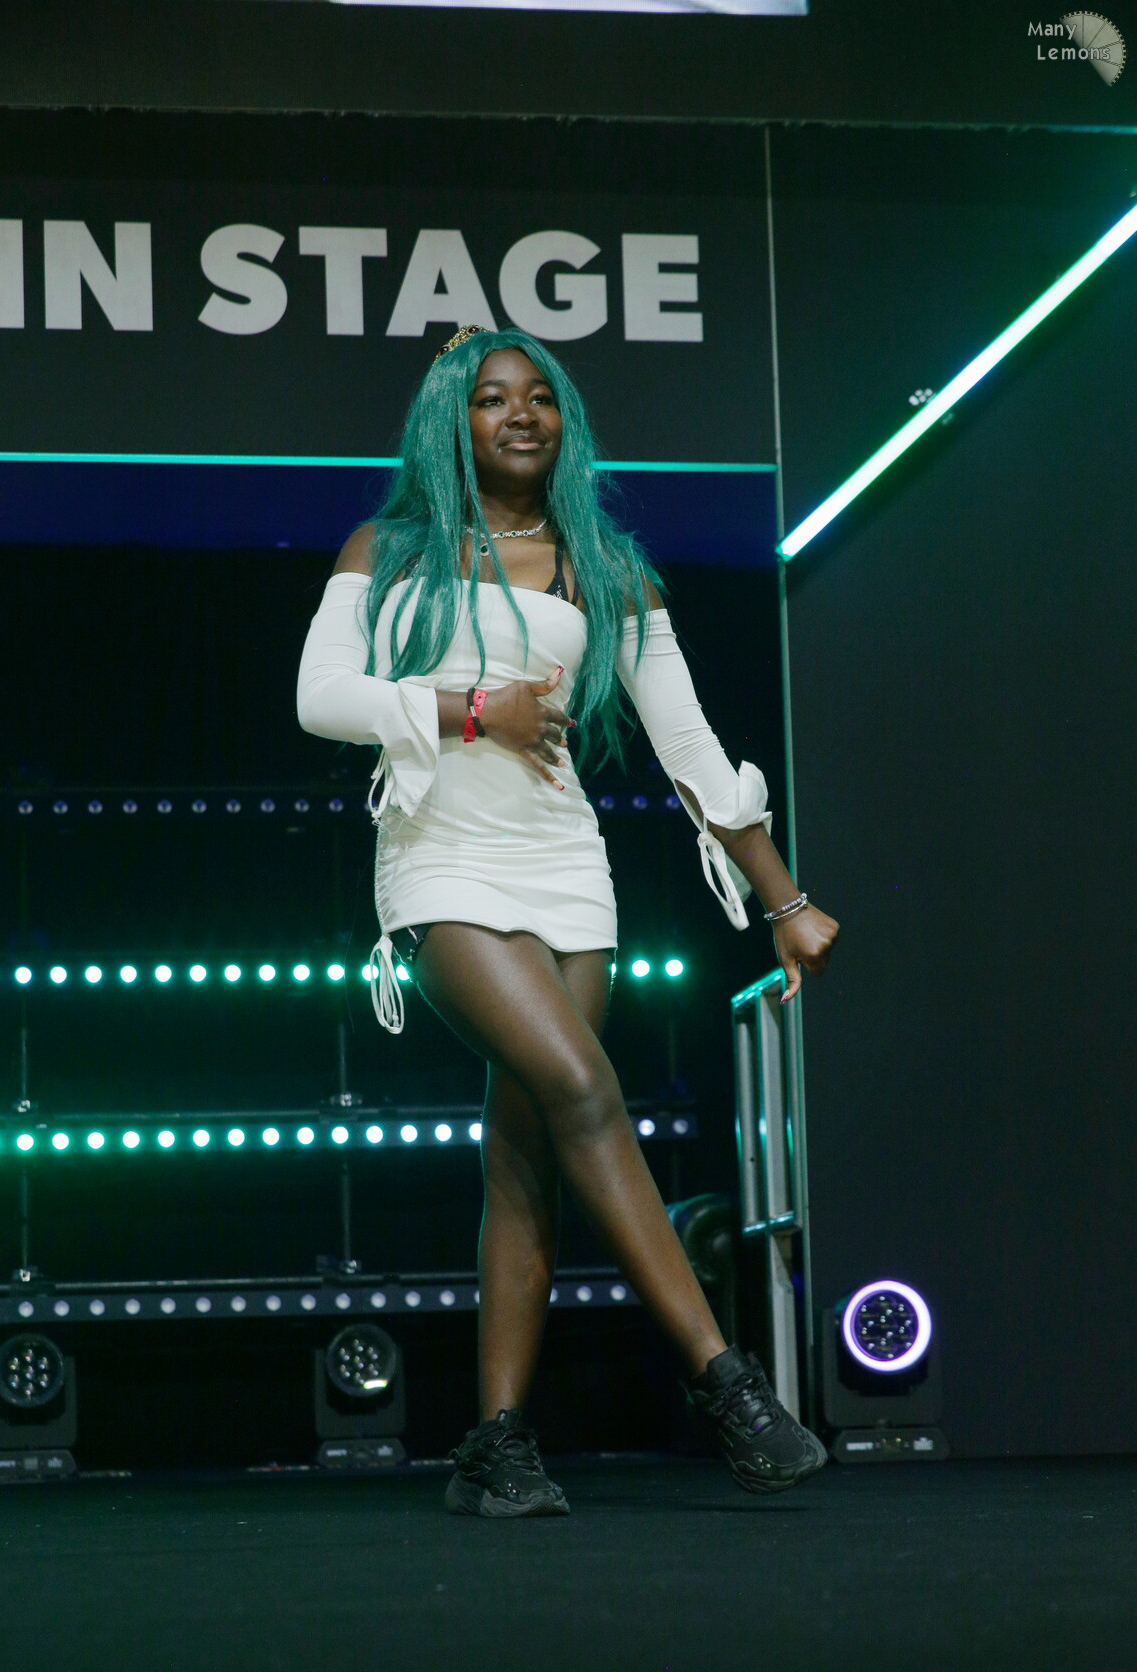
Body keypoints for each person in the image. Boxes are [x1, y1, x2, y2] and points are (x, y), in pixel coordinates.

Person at [297, 324, 840, 1518]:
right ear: (454, 421)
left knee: (526, 1155)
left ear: (565, 422)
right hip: (439, 859)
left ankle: (494, 1445)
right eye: (492, 398)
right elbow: (319, 696)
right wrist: (470, 707)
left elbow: (690, 748)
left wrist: (784, 900)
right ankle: (726, 1382)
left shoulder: (605, 565)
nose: (520, 415)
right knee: (586, 1088)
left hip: (562, 867)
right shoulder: (388, 549)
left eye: (540, 397)